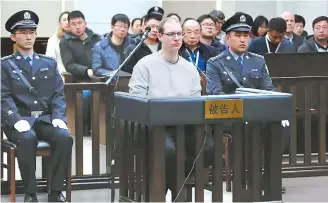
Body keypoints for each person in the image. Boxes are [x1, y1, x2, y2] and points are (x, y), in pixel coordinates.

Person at [206, 12, 290, 193]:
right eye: (238, 35)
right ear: (227, 38)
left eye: (246, 36)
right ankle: (247, 178)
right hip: (229, 117)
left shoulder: (258, 61)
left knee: (282, 127)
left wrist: (277, 112)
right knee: (247, 128)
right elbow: (215, 94)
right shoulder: (216, 63)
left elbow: (269, 89)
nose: (243, 40)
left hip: (256, 115)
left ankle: (270, 177)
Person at [129, 17, 213, 196]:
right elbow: (137, 101)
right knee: (169, 151)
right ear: (159, 36)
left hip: (183, 124)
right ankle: (174, 194)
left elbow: (195, 101)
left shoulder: (190, 69)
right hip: (153, 126)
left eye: (179, 34)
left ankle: (179, 191)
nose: (177, 38)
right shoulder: (145, 65)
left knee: (209, 147)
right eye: (171, 34)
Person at [2, 10, 73, 202]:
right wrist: (15, 119)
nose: (28, 36)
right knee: (27, 138)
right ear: (13, 36)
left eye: (31, 32)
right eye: (23, 32)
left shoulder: (48, 63)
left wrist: (59, 116)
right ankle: (30, 194)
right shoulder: (5, 65)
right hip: (20, 120)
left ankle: (56, 192)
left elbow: (58, 93)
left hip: (44, 119)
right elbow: (3, 96)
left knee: (65, 138)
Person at [45, 11, 70, 78]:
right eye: (64, 20)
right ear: (60, 23)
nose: (67, 22)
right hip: (60, 72)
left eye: (69, 19)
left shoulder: (77, 38)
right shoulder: (53, 39)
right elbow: (50, 60)